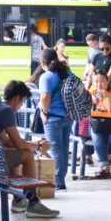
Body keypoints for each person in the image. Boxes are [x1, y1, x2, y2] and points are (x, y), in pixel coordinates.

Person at [0, 80, 59, 218]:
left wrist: (34, 144)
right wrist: (39, 147)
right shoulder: (6, 111)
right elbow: (19, 144)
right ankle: (33, 203)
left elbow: (7, 141)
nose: (21, 106)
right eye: (22, 102)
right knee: (27, 155)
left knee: (18, 154)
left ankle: (18, 200)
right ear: (17, 98)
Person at [38, 48, 72, 190]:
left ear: (42, 62)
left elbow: (45, 96)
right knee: (63, 150)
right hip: (68, 117)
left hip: (52, 119)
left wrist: (44, 113)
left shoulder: (47, 76)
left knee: (55, 150)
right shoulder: (67, 73)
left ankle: (58, 181)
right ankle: (61, 179)